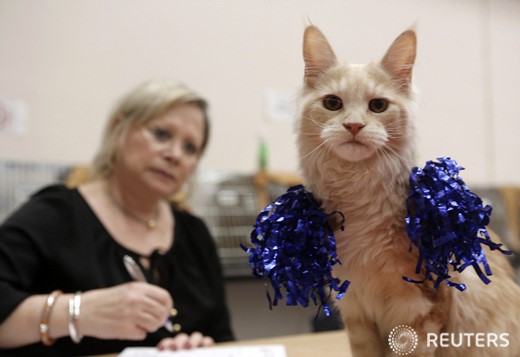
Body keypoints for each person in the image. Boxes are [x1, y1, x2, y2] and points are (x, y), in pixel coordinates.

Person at [0, 79, 235, 356]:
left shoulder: (194, 232)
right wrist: (78, 312)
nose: (175, 155)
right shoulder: (55, 213)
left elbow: (223, 336)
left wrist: (198, 347)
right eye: (161, 134)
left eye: (190, 148)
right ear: (118, 129)